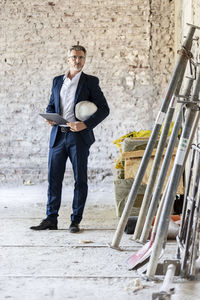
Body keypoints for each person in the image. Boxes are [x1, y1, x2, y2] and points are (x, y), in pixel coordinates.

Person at [30, 45, 110, 233]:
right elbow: (52, 104)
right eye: (74, 57)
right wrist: (50, 117)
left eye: (81, 57)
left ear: (84, 60)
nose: (77, 60)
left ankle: (75, 220)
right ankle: (51, 219)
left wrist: (85, 124)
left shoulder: (90, 82)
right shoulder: (57, 81)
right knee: (53, 178)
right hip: (58, 135)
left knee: (80, 179)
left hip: (79, 137)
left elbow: (104, 109)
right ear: (68, 59)